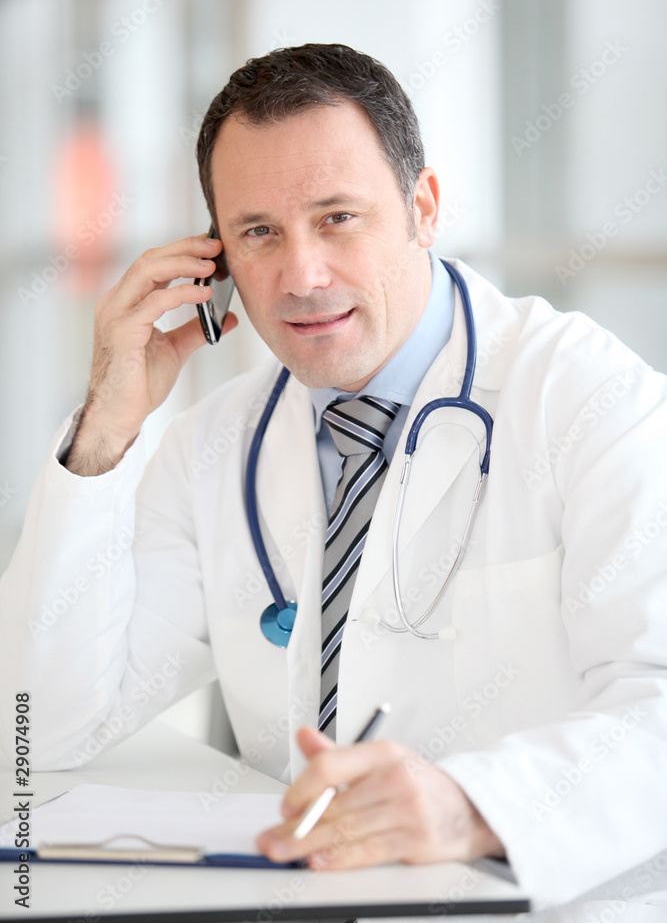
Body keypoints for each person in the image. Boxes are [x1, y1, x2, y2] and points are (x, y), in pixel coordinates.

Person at [1, 44, 666, 916]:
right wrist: (105, 429)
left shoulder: (593, 400)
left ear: (422, 209)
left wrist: (469, 806)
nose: (301, 277)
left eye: (338, 218)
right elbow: (36, 731)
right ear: (216, 260)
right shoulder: (216, 444)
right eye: (259, 233)